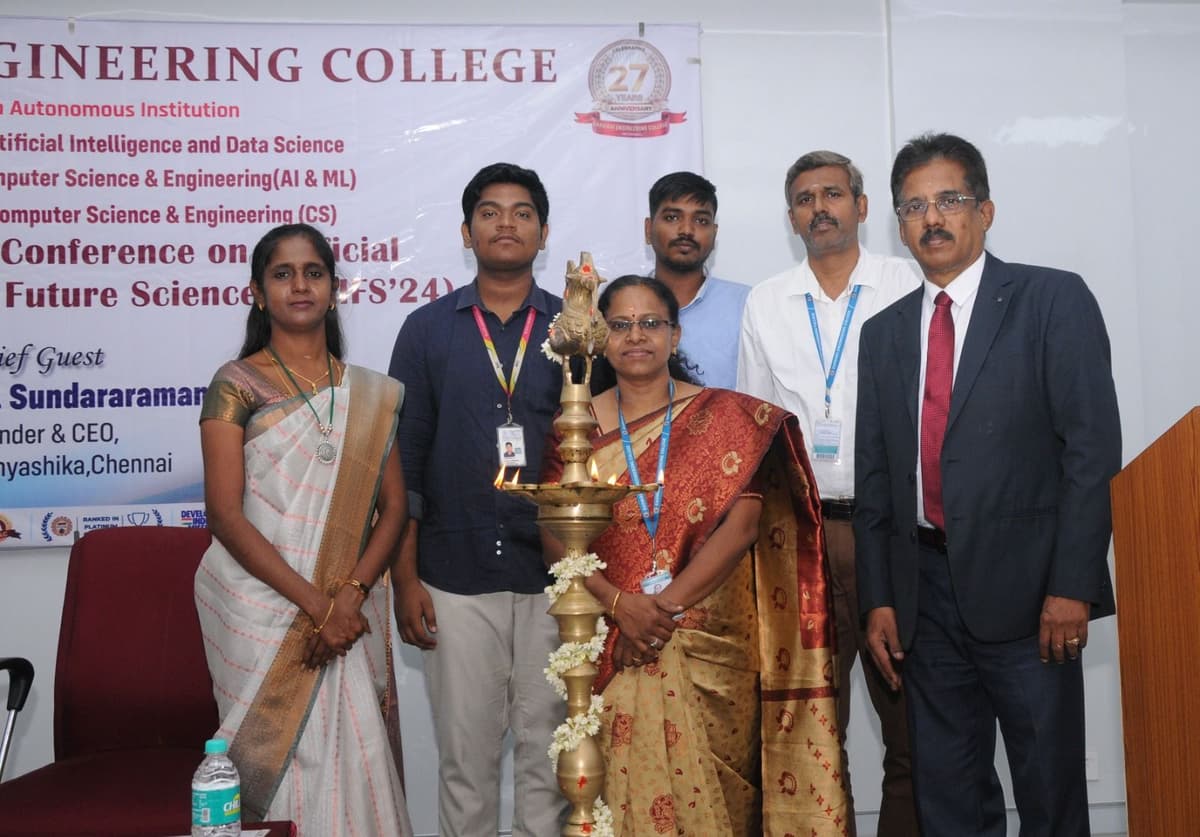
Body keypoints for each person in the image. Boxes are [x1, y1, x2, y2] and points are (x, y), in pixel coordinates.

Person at [855, 133, 1121, 837]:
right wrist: (880, 597)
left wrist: (1074, 585)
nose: (931, 218)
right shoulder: (883, 334)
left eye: (948, 199)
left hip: (1034, 595)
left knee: (1048, 787)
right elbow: (877, 479)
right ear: (898, 220)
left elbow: (1091, 454)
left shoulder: (1050, 299)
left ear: (985, 210)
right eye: (913, 205)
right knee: (947, 793)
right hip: (924, 598)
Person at [543, 274, 849, 836]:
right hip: (612, 636)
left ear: (676, 336)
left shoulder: (729, 418)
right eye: (620, 324)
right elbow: (557, 534)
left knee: (725, 793)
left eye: (651, 323)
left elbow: (744, 524)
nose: (637, 336)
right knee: (616, 794)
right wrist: (618, 605)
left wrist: (659, 608)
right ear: (600, 339)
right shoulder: (574, 427)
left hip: (713, 637)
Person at [195, 223, 413, 835]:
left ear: (334, 289)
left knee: (355, 759)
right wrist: (320, 607)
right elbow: (225, 514)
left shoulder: (370, 393)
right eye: (282, 273)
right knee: (277, 760)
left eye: (313, 272)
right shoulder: (235, 384)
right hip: (259, 608)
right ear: (259, 293)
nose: (300, 285)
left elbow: (393, 508)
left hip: (347, 603)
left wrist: (351, 597)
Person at [738, 150, 921, 835]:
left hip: (894, 532)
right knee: (807, 725)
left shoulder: (907, 285)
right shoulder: (767, 301)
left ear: (862, 206)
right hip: (799, 535)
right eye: (807, 198)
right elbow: (754, 432)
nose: (821, 207)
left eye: (834, 194)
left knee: (913, 723)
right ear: (791, 217)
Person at [387, 162, 567, 836]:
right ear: (467, 231)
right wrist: (404, 579)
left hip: (556, 581)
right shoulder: (428, 330)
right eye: (490, 212)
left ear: (543, 232)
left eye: (522, 212)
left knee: (549, 758)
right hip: (454, 579)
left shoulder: (576, 330)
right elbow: (404, 466)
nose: (506, 224)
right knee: (466, 763)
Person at [644, 171, 749, 388]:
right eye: (672, 217)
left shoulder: (749, 305)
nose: (686, 230)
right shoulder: (620, 306)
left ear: (714, 233)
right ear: (648, 229)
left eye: (701, 220)